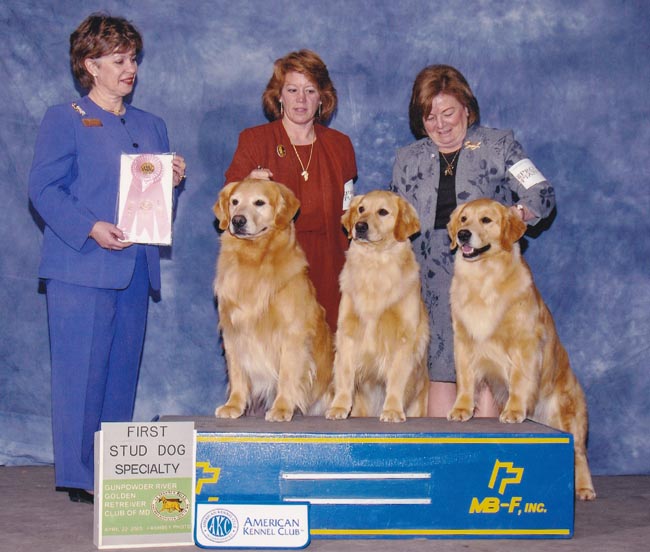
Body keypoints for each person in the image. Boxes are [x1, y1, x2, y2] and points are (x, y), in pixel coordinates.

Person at [28, 13, 186, 504]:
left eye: (133, 58)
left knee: (120, 375)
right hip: (80, 268)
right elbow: (43, 189)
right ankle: (79, 475)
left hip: (135, 268)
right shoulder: (65, 118)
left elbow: (154, 207)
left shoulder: (152, 125)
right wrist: (90, 226)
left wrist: (171, 184)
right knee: (81, 374)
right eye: (118, 60)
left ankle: (110, 466)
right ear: (90, 65)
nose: (130, 68)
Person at [389, 64, 556, 417]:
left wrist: (513, 216)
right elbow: (395, 224)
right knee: (439, 386)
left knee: (489, 380)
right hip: (428, 285)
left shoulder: (499, 145)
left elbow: (541, 193)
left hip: (490, 283)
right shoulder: (407, 160)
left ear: (466, 108)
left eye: (448, 112)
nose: (440, 124)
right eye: (430, 116)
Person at [224, 49, 357, 332]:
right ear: (279, 96)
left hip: (329, 265)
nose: (301, 99)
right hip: (271, 265)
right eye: (292, 90)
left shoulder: (340, 145)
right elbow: (229, 201)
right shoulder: (254, 140)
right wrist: (247, 182)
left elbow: (347, 212)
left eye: (310, 91)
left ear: (322, 98)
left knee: (328, 346)